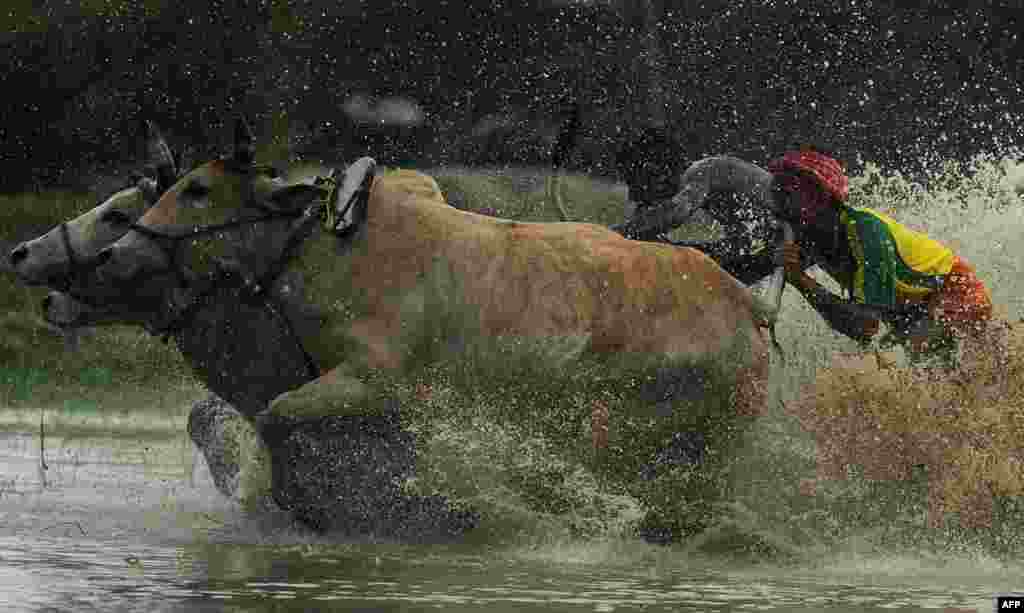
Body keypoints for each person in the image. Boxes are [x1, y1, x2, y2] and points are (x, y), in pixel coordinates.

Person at [769, 145, 993, 360]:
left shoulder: (866, 232)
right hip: (909, 314)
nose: (789, 213)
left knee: (934, 371)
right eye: (782, 199)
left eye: (798, 199)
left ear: (825, 201)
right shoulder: (808, 234)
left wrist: (801, 281)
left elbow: (865, 327)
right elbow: (749, 272)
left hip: (954, 296)